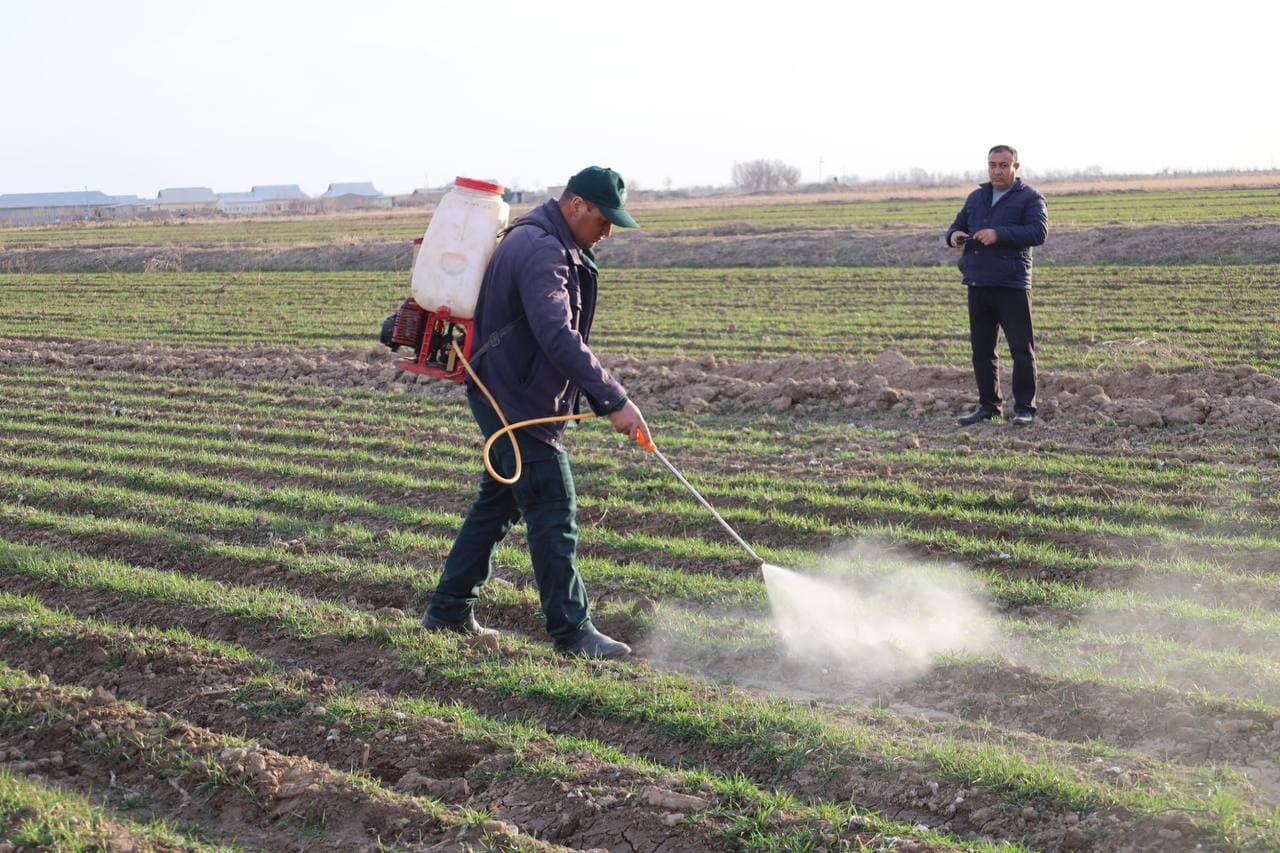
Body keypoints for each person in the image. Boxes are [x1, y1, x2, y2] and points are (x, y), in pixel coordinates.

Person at [421, 166, 648, 659]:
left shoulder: (542, 238)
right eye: (604, 220)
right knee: (552, 507)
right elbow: (559, 336)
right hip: (516, 402)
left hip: (504, 392)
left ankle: (449, 610)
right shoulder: (544, 251)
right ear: (577, 206)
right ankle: (573, 633)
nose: (607, 232)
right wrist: (614, 400)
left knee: (498, 504)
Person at [945, 145, 1048, 426]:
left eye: (1004, 165)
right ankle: (989, 406)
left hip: (1011, 283)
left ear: (1016, 166)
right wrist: (954, 236)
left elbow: (1038, 232)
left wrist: (998, 234)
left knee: (1021, 350)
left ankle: (1025, 408)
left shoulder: (1030, 198)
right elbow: (955, 226)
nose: (997, 171)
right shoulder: (977, 197)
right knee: (982, 350)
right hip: (978, 282)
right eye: (992, 165)